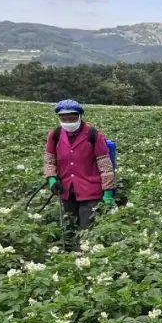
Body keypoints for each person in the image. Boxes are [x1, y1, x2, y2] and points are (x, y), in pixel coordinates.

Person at [43, 99, 115, 246]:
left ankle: (82, 259)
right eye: (64, 118)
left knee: (86, 232)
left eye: (72, 118)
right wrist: (52, 179)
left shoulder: (94, 135)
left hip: (91, 192)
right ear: (59, 118)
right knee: (70, 229)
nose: (68, 121)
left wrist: (108, 193)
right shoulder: (55, 135)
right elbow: (49, 161)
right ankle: (71, 258)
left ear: (80, 116)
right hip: (67, 191)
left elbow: (105, 166)